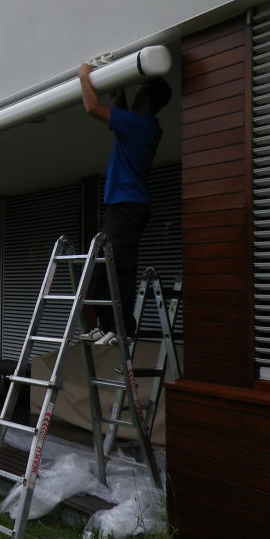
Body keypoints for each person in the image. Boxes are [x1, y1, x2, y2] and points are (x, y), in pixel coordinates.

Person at [77, 63, 172, 345]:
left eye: (141, 90)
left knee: (120, 268)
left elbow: (92, 108)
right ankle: (106, 324)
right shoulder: (142, 126)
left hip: (127, 205)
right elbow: (121, 114)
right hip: (123, 205)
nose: (137, 94)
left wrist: (84, 75)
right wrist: (119, 90)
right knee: (104, 267)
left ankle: (123, 330)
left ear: (148, 98)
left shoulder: (139, 125)